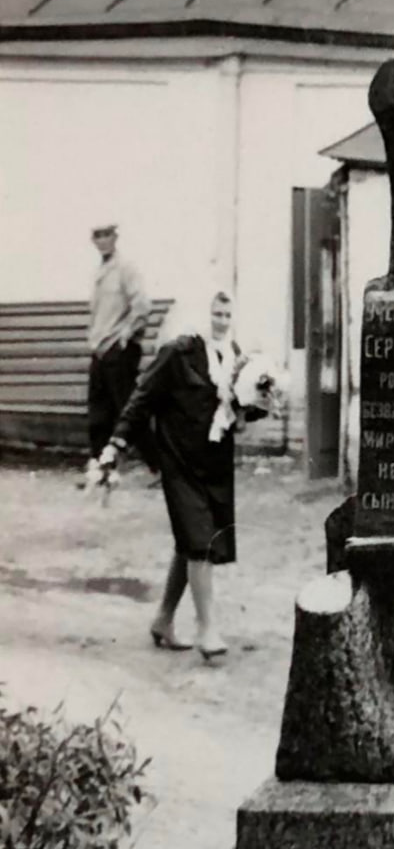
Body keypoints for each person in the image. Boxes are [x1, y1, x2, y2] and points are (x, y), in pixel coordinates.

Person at [98, 291, 251, 662]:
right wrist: (115, 444)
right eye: (215, 312)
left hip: (213, 462)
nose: (221, 320)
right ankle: (207, 627)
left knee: (191, 541)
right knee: (199, 540)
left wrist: (261, 401)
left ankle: (164, 619)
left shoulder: (234, 354)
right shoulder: (177, 352)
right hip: (179, 460)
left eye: (227, 313)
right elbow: (141, 398)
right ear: (201, 313)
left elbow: (240, 406)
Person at [85, 223, 151, 481]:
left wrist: (125, 335)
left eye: (106, 235)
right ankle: (101, 466)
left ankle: (158, 465)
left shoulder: (126, 268)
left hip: (118, 350)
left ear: (115, 237)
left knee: (129, 409)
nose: (102, 240)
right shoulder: (99, 272)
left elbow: (142, 306)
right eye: (97, 236)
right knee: (98, 411)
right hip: (100, 350)